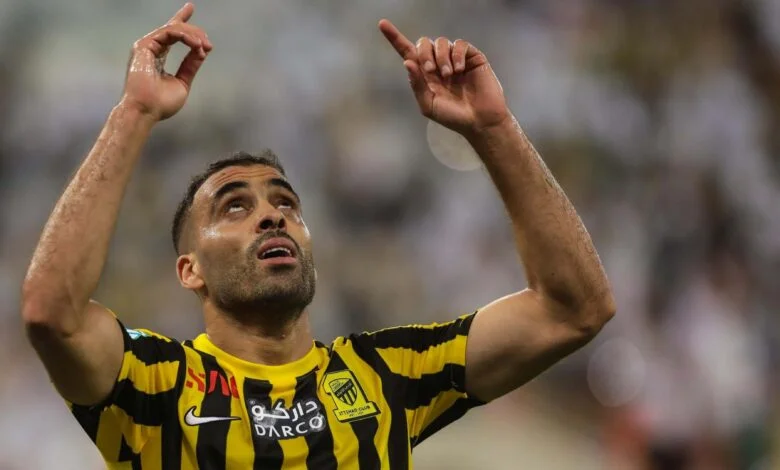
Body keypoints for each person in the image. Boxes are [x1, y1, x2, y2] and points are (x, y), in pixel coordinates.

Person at [21, 3, 615, 469]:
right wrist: (134, 113)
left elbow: (574, 311)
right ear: (189, 269)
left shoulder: (388, 375)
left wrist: (493, 128)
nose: (272, 216)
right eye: (234, 207)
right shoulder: (155, 382)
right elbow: (52, 313)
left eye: (286, 203)